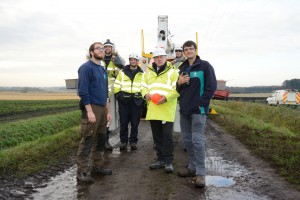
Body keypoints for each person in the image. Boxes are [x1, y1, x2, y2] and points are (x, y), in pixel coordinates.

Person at [176, 40, 217, 187]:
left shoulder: (205, 66)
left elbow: (212, 86)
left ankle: (201, 174)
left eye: (190, 49)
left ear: (195, 50)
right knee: (187, 141)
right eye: (186, 49)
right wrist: (179, 83)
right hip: (184, 110)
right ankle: (192, 167)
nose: (188, 51)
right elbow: (178, 89)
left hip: (198, 111)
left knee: (197, 141)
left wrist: (202, 103)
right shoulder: (183, 68)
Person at [77, 42, 113, 183]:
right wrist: (90, 112)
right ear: (91, 52)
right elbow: (83, 92)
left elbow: (106, 94)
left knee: (100, 139)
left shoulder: (102, 70)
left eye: (103, 49)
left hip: (102, 109)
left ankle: (97, 166)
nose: (102, 50)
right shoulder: (85, 68)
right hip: (91, 108)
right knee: (88, 139)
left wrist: (108, 112)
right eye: (98, 48)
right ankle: (82, 172)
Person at [141, 47, 179, 173]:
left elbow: (177, 89)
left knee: (167, 137)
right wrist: (145, 94)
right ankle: (160, 160)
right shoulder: (148, 72)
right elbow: (143, 86)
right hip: (153, 109)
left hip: (166, 109)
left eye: (161, 57)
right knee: (157, 138)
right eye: (156, 57)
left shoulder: (173, 72)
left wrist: (166, 98)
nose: (159, 59)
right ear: (154, 59)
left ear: (165, 58)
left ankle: (168, 162)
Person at [114, 53, 144, 151]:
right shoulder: (122, 72)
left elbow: (144, 87)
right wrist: (119, 95)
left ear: (137, 61)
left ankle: (133, 142)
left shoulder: (142, 74)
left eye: (135, 60)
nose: (133, 61)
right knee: (124, 123)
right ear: (129, 61)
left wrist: (141, 96)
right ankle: (123, 142)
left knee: (135, 124)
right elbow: (116, 85)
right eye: (131, 59)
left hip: (136, 102)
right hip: (124, 102)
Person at [103, 39, 125, 151]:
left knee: (120, 112)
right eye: (105, 47)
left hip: (114, 88)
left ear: (112, 48)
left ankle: (123, 140)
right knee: (105, 113)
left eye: (109, 47)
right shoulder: (100, 59)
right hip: (102, 88)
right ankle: (105, 140)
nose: (107, 49)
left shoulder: (116, 59)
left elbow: (122, 70)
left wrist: (117, 60)